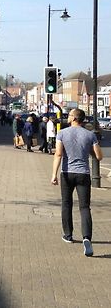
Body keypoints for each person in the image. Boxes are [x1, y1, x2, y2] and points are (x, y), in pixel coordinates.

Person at [51, 108, 103, 257]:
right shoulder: (90, 134)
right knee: (85, 207)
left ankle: (68, 235)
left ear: (74, 118)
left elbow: (59, 154)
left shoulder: (62, 133)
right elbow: (98, 156)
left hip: (67, 174)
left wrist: (53, 174)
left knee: (66, 204)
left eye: (70, 115)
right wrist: (90, 149)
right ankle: (87, 237)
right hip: (83, 174)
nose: (67, 117)